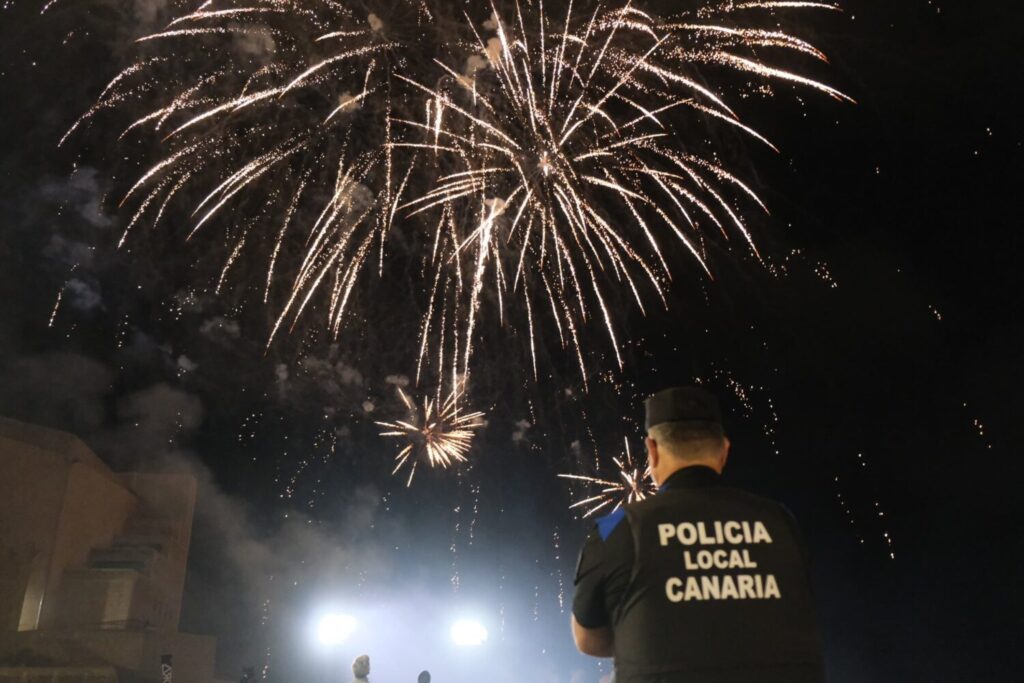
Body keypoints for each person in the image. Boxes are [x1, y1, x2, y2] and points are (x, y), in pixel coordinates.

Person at [571, 386, 824, 683]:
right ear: (724, 450)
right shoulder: (781, 522)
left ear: (652, 450)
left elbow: (586, 638)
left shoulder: (617, 526)